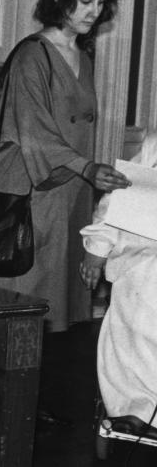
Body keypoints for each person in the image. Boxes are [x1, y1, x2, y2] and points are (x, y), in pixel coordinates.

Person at [0, 0, 130, 421]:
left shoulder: (82, 56)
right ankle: (12, 400)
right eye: (85, 0)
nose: (93, 11)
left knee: (57, 304)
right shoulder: (33, 54)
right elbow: (33, 132)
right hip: (34, 194)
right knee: (27, 300)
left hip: (69, 194)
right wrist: (86, 167)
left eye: (100, 2)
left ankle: (37, 397)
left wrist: (91, 172)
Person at [79, 132, 157, 440]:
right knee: (144, 289)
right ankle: (138, 409)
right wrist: (95, 251)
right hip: (147, 254)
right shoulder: (154, 146)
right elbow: (120, 198)